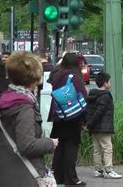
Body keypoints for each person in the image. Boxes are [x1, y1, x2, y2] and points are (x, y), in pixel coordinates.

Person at [0, 51, 58, 186]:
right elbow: (27, 145)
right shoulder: (24, 107)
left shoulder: (4, 102)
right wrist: (50, 143)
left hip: (6, 174)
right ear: (34, 78)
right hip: (25, 178)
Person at [48, 52, 87, 185]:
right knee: (71, 147)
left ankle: (58, 177)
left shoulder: (57, 75)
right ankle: (71, 179)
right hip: (72, 116)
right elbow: (83, 95)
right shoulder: (74, 77)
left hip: (58, 115)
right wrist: (86, 118)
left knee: (60, 147)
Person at [86, 72, 122, 179]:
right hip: (103, 128)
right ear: (105, 83)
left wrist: (89, 125)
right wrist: (91, 124)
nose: (110, 83)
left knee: (97, 149)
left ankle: (98, 170)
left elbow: (89, 111)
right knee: (107, 148)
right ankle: (109, 170)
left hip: (94, 128)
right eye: (109, 81)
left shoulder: (93, 94)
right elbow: (99, 112)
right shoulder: (105, 96)